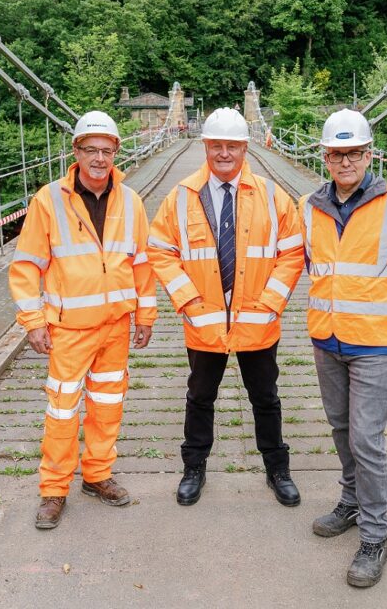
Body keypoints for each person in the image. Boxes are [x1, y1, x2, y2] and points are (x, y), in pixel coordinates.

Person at [300, 108, 387, 588]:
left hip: (375, 344)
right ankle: (352, 500)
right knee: (341, 428)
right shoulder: (308, 206)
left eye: (354, 153)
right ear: (325, 157)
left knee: (366, 438)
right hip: (327, 337)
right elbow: (308, 264)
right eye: (337, 154)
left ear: (369, 155)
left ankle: (375, 535)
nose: (345, 162)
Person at [147, 108, 304, 507]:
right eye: (216, 145)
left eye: (232, 146)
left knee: (265, 397)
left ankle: (277, 469)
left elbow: (292, 252)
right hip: (205, 321)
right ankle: (194, 468)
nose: (224, 153)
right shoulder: (181, 196)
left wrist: (271, 303)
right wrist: (188, 301)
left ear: (245, 148)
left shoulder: (273, 196)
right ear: (205, 146)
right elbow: (160, 250)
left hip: (257, 320)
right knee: (200, 396)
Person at [9, 110, 157, 530]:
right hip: (69, 328)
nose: (98, 158)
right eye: (90, 150)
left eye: (106, 150)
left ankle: (96, 474)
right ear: (75, 152)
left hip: (116, 327)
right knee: (62, 410)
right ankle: (54, 489)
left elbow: (142, 264)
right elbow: (26, 265)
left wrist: (145, 313)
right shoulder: (49, 200)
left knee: (108, 405)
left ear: (116, 152)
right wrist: (33, 320)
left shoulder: (131, 201)